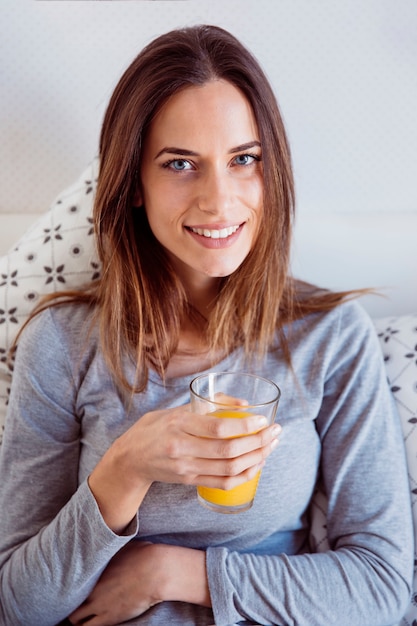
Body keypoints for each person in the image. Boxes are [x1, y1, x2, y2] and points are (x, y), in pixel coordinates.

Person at [0, 24, 413, 626]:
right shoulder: (63, 343)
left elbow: (381, 589)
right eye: (180, 164)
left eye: (244, 160)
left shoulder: (331, 338)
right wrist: (126, 468)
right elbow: (17, 607)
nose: (220, 202)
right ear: (134, 183)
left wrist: (177, 573)